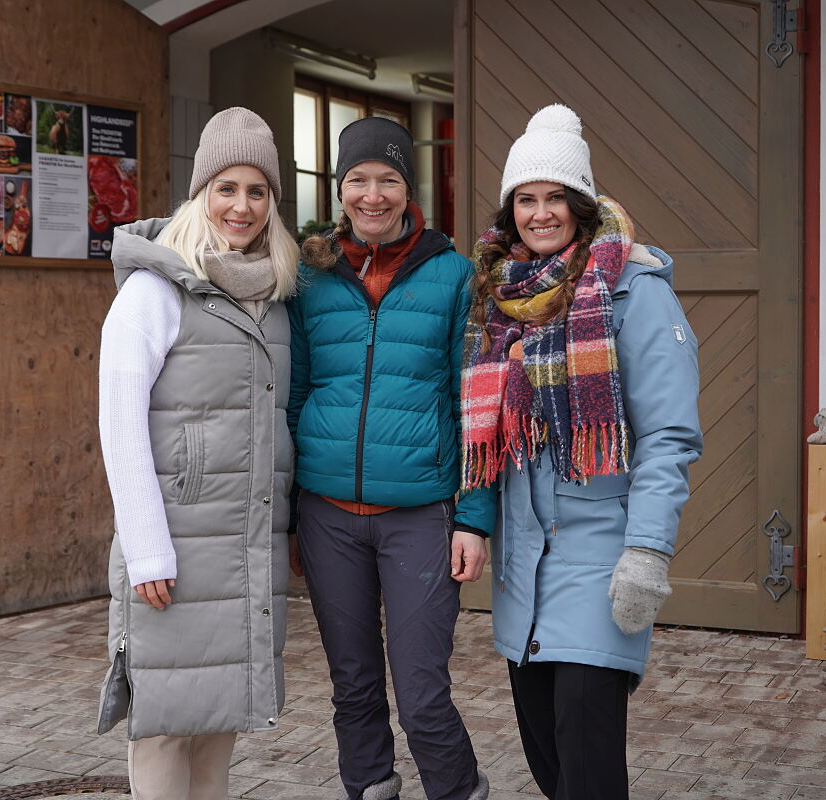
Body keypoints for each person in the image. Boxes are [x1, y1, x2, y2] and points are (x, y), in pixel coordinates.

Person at [460, 105, 702, 800]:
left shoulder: (632, 291)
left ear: (581, 205)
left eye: (555, 198)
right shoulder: (498, 299)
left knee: (589, 768)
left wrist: (648, 550)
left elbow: (669, 434)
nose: (541, 214)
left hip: (601, 558)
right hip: (524, 572)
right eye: (526, 200)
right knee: (551, 765)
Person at [288, 116, 494, 800]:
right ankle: (370, 787)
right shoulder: (309, 278)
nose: (372, 196)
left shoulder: (455, 276)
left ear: (410, 189)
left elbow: (479, 406)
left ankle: (457, 790)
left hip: (421, 515)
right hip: (326, 515)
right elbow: (294, 396)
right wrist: (292, 511)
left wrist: (475, 517)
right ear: (339, 188)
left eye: (388, 180)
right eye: (358, 180)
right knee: (352, 684)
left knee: (423, 693)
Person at [97, 107, 299, 800]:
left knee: (221, 718)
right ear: (199, 193)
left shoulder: (272, 298)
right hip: (175, 548)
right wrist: (148, 548)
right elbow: (119, 425)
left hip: (244, 546)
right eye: (226, 188)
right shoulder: (153, 291)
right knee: (162, 724)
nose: (241, 206)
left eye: (257, 191)